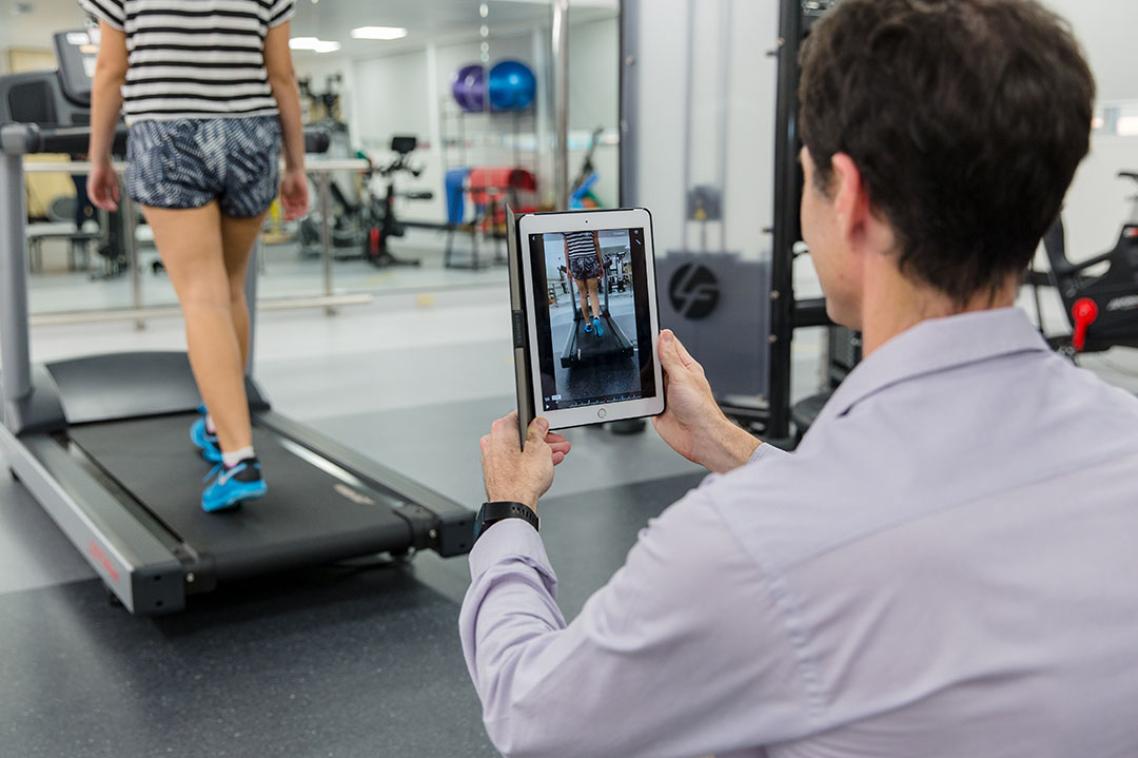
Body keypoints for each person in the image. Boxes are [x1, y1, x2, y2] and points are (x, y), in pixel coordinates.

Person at [462, 0, 1138, 755]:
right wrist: (731, 446)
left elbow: (534, 718)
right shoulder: (1126, 439)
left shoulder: (743, 548)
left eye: (806, 175)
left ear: (848, 198)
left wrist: (508, 519)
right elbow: (889, 513)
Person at [82, 0, 309, 512]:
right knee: (230, 290)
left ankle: (238, 456)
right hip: (250, 134)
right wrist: (296, 164)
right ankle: (216, 422)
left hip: (166, 132)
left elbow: (110, 71)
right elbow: (284, 76)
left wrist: (97, 159)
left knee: (202, 297)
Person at [563, 230, 605, 336]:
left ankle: (588, 324)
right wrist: (600, 264)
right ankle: (596, 317)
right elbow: (596, 244)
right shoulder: (591, 221)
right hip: (590, 258)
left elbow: (566, 248)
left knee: (583, 295)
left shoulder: (565, 226)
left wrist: (568, 267)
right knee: (593, 293)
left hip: (575, 260)